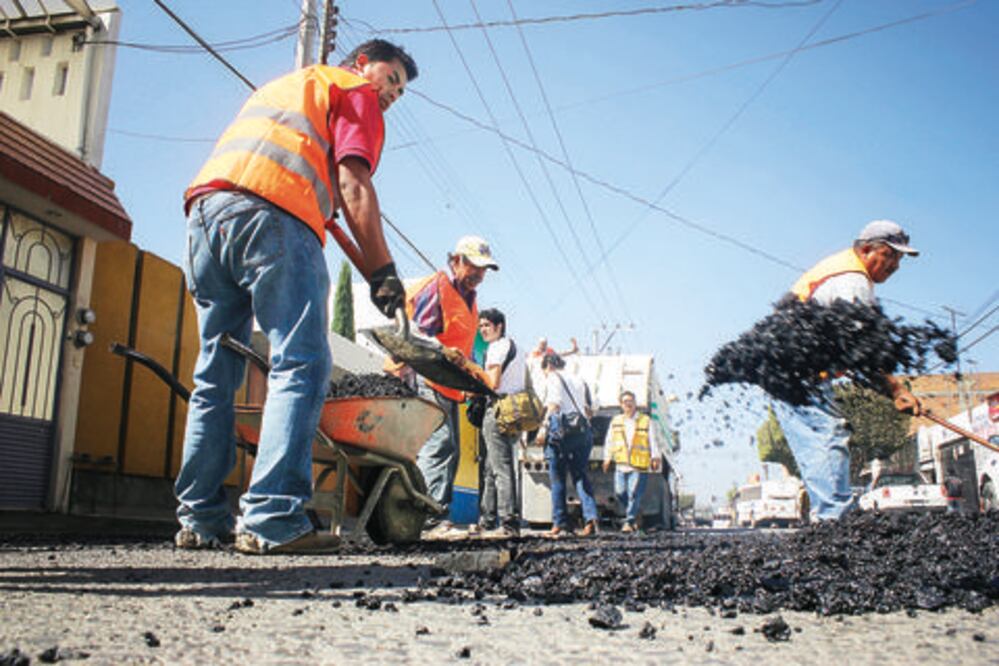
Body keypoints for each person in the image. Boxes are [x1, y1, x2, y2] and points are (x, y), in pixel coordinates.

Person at [174, 40, 417, 555]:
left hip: (207, 215)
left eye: (399, 88)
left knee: (214, 371)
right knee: (300, 363)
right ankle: (271, 518)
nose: (392, 92)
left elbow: (332, 209)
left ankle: (200, 519)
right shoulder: (356, 93)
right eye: (390, 77)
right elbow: (354, 185)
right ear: (360, 65)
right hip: (274, 216)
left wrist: (369, 268)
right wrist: (385, 271)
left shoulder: (292, 89)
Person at [773, 219, 922, 521]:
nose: (895, 266)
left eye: (900, 259)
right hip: (796, 375)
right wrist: (895, 389)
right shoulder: (851, 279)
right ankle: (834, 522)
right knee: (826, 438)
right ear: (867, 250)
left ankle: (834, 518)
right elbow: (859, 346)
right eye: (891, 256)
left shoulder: (845, 272)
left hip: (797, 372)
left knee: (829, 436)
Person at [404, 236, 498, 536]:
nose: (479, 275)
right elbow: (416, 333)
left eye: (484, 270)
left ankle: (435, 516)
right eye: (474, 266)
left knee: (452, 451)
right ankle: (427, 520)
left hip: (448, 385)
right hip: (425, 376)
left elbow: (465, 348)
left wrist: (473, 384)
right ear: (456, 260)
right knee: (439, 447)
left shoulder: (470, 300)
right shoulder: (439, 288)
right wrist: (444, 352)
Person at [475, 308, 527, 537]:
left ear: (499, 326)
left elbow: (493, 382)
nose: (483, 330)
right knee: (491, 467)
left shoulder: (496, 348)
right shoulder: (517, 347)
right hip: (513, 412)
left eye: (487, 325)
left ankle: (507, 522)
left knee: (500, 467)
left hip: (496, 410)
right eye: (481, 326)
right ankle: (487, 520)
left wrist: (472, 375)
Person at [536, 353, 599, 537]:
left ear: (548, 367)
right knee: (580, 475)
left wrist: (542, 428)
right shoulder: (580, 380)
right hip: (582, 432)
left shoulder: (554, 378)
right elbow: (592, 408)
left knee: (557, 478)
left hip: (560, 433)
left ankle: (560, 523)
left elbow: (554, 405)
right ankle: (591, 519)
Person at [602, 390, 661, 532]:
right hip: (621, 464)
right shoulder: (616, 421)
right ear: (621, 405)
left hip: (638, 465)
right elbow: (609, 441)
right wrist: (607, 458)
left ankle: (628, 522)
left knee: (634, 493)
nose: (628, 404)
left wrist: (655, 457)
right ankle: (635, 512)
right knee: (620, 492)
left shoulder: (645, 420)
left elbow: (652, 440)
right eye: (625, 401)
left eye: (631, 401)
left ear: (635, 404)